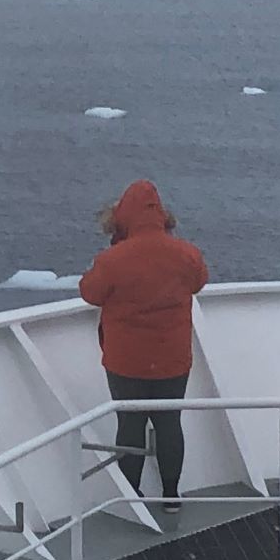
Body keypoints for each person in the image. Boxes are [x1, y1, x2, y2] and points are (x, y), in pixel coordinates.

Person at [78, 180, 209, 510]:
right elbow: (199, 282)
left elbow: (90, 292)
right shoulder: (187, 255)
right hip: (173, 359)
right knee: (169, 423)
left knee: (130, 426)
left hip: (126, 362)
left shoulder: (112, 260)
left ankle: (132, 499)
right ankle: (171, 496)